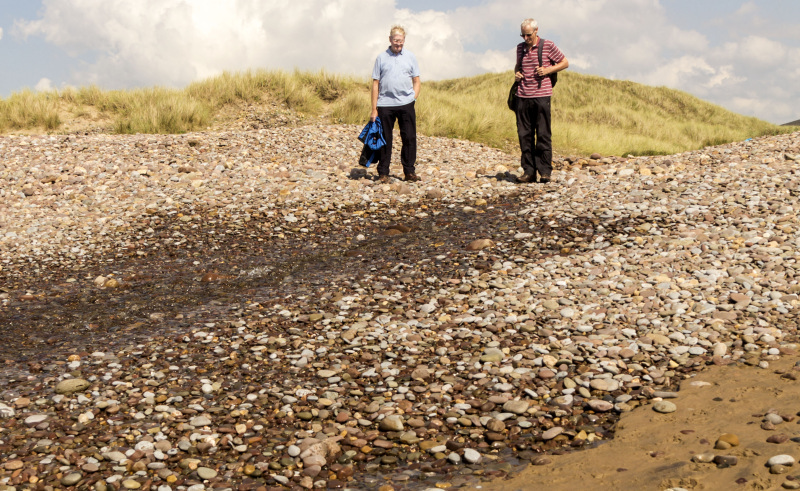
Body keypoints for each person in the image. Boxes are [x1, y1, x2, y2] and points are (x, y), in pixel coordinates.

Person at [514, 18, 568, 184]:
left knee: (543, 134)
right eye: (523, 35)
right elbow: (518, 66)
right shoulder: (520, 48)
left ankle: (545, 172)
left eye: (528, 34)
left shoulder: (548, 45)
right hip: (522, 96)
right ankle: (529, 172)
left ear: (536, 31)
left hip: (542, 95)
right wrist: (517, 73)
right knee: (525, 135)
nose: (525, 38)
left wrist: (547, 70)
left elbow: (565, 62)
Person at [370, 25, 422, 183]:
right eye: (395, 41)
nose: (398, 44)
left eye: (401, 41)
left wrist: (413, 98)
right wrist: (374, 109)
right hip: (385, 104)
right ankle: (383, 173)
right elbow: (375, 84)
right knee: (385, 139)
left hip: (406, 104)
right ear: (390, 40)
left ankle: (409, 172)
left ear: (404, 40)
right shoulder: (381, 58)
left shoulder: (411, 57)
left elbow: (417, 81)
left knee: (409, 138)